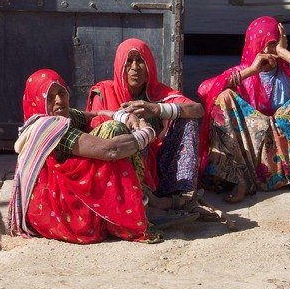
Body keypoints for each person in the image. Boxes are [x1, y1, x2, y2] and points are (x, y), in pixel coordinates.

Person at [8, 68, 159, 244]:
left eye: (61, 93)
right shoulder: (50, 128)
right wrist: (146, 134)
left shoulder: (61, 115)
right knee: (114, 131)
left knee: (114, 126)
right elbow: (110, 150)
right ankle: (129, 213)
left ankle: (138, 204)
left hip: (59, 197)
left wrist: (125, 117)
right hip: (58, 210)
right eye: (49, 97)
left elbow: (96, 114)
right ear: (37, 102)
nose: (59, 101)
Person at [197, 16, 290, 202]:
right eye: (261, 44)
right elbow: (204, 90)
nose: (265, 51)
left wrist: (282, 51)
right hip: (254, 151)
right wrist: (251, 71)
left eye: (271, 44)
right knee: (223, 97)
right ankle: (241, 180)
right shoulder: (242, 72)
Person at [86, 39, 204, 212]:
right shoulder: (103, 92)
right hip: (122, 171)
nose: (135, 67)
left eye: (140, 60)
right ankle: (146, 200)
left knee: (188, 119)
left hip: (160, 169)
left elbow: (197, 109)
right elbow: (96, 130)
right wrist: (127, 119)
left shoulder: (160, 93)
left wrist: (156, 109)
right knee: (129, 132)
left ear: (149, 66)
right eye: (129, 61)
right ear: (120, 66)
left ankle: (183, 194)